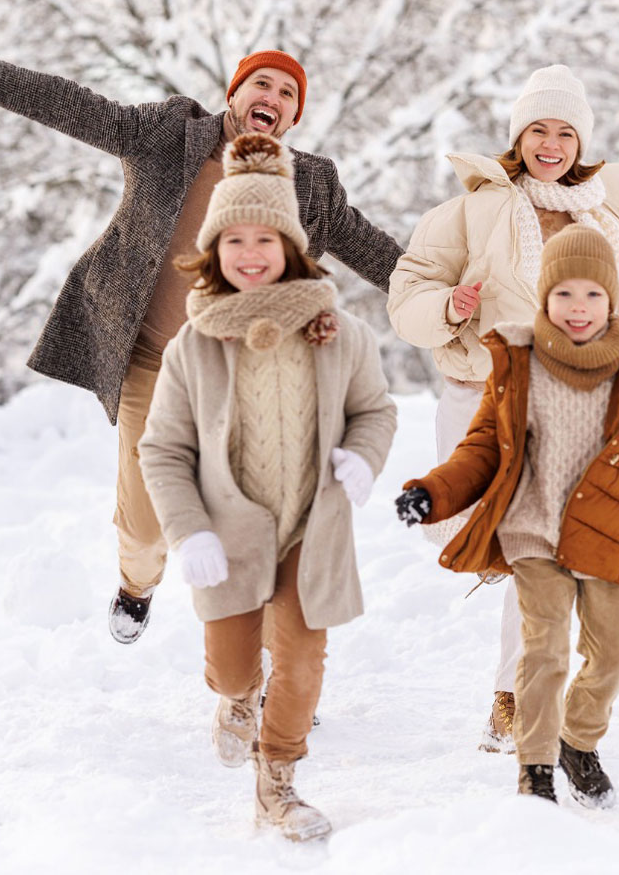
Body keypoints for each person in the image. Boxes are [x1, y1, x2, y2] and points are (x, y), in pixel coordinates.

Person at [0, 22, 402, 644]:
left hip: (248, 378)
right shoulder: (169, 135)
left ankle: (275, 672)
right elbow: (76, 106)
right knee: (143, 528)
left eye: (286, 92)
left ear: (294, 116)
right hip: (153, 364)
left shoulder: (311, 183)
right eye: (261, 83)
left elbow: (374, 252)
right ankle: (137, 583)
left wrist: (447, 293)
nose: (271, 97)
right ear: (235, 93)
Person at [386, 64, 619, 750]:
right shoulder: (474, 209)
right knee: (484, 533)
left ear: (580, 140)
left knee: (542, 547)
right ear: (518, 135)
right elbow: (405, 295)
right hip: (482, 391)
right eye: (537, 129)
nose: (551, 144)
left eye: (564, 131)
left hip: (575, 396)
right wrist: (447, 306)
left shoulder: (609, 210)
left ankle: (512, 696)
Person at [394, 226, 619, 806]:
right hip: (533, 530)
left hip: (610, 529)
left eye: (592, 295)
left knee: (612, 657)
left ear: (611, 300)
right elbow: (480, 449)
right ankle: (535, 770)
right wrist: (433, 493)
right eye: (564, 294)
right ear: (544, 299)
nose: (579, 308)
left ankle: (579, 742)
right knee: (543, 650)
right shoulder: (517, 363)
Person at [138, 133, 397, 842]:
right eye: (234, 240)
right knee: (231, 666)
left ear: (291, 245)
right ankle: (234, 699)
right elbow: (162, 448)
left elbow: (376, 409)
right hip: (227, 530)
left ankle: (277, 780)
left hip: (310, 527)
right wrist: (187, 529)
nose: (250, 253)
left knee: (305, 659)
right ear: (214, 250)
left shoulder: (338, 332)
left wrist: (365, 457)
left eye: (266, 237)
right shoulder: (193, 346)